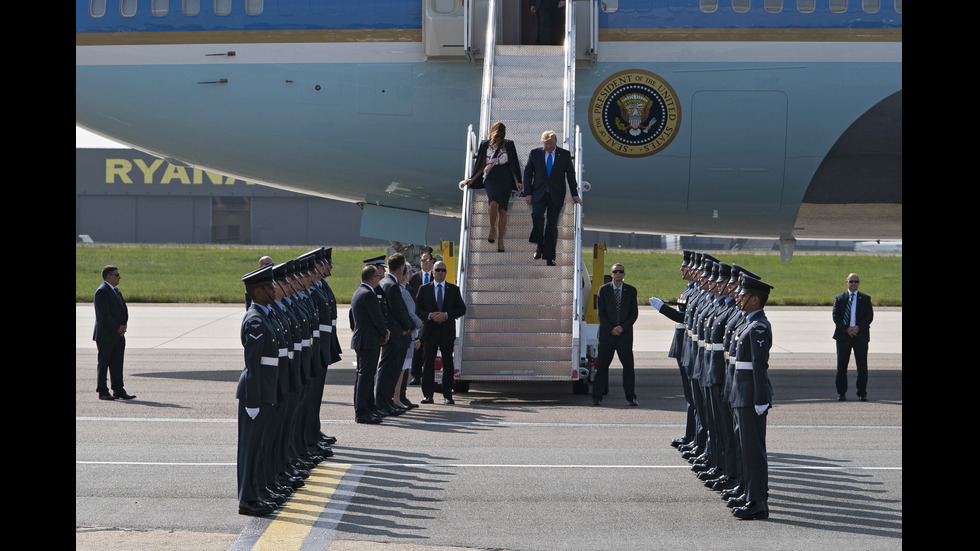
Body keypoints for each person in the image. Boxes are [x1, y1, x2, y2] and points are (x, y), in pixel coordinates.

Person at [727, 275, 774, 520]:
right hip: (742, 394)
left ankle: (758, 503)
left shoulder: (758, 327)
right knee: (746, 450)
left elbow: (758, 365)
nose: (739, 297)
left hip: (750, 396)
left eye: (744, 295)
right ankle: (750, 494)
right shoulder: (749, 323)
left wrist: (760, 399)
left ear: (755, 299)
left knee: (753, 451)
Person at [237, 265, 281, 517]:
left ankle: (256, 493)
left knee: (260, 446)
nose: (275, 289)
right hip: (256, 391)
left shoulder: (264, 314)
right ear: (258, 291)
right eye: (270, 286)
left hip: (265, 389)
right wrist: (252, 400)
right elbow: (252, 364)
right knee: (251, 448)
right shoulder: (255, 319)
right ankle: (248, 499)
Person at [524, 130, 581, 266]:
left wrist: (575, 194)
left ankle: (549, 257)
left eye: (550, 144)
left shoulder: (564, 155)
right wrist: (528, 193)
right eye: (545, 144)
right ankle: (540, 243)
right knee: (537, 215)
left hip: (556, 194)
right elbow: (527, 173)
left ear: (555, 141)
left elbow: (571, 176)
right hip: (539, 192)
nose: (548, 146)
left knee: (551, 224)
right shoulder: (535, 153)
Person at [464, 122, 522, 252]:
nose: (498, 140)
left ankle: (500, 240)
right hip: (491, 177)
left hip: (505, 177)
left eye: (500, 137)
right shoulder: (486, 144)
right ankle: (491, 227)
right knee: (493, 202)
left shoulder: (509, 144)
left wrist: (517, 181)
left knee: (503, 210)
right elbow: (482, 163)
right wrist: (472, 178)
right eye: (497, 137)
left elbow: (513, 164)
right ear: (493, 134)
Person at [416, 260, 467, 404]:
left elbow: (461, 309)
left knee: (448, 364)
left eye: (443, 270)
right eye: (437, 270)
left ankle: (447, 395)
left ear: (446, 272)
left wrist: (447, 315)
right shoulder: (424, 289)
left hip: (446, 331)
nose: (440, 273)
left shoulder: (453, 289)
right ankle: (428, 395)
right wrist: (429, 315)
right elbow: (417, 310)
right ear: (432, 272)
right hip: (430, 331)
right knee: (428, 363)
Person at [592, 263, 639, 406]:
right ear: (611, 274)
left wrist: (622, 328)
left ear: (624, 274)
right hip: (607, 335)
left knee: (628, 367)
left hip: (624, 336)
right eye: (615, 271)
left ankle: (631, 397)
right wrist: (611, 329)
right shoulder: (603, 290)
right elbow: (601, 314)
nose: (618, 274)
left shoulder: (631, 291)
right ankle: (597, 397)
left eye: (620, 271)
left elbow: (634, 313)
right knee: (602, 366)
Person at [376, 253, 416, 417]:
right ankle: (383, 402)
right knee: (388, 371)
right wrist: (410, 325)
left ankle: (387, 402)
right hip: (395, 334)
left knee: (390, 371)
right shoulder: (392, 285)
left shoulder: (386, 282)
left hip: (393, 333)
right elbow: (398, 310)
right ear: (401, 268)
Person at [351, 265, 389, 424]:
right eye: (378, 277)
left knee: (363, 376)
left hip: (363, 339)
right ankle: (362, 411)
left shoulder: (359, 292)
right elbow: (377, 317)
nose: (379, 280)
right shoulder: (368, 294)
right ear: (372, 278)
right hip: (368, 340)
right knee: (365, 377)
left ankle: (365, 408)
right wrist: (384, 333)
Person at [93, 265, 135, 401]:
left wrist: (123, 326)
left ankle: (118, 389)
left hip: (118, 334)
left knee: (117, 363)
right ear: (109, 276)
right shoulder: (102, 292)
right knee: (104, 363)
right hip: (106, 334)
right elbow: (103, 316)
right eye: (116, 275)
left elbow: (123, 311)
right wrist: (117, 327)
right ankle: (103, 391)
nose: (119, 277)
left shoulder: (116, 291)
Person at [832, 273, 874, 401]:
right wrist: (846, 329)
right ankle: (841, 393)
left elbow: (869, 317)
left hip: (860, 337)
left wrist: (858, 328)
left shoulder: (865, 299)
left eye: (856, 281)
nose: (853, 284)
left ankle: (862, 393)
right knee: (841, 366)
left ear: (859, 283)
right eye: (851, 281)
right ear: (847, 282)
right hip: (844, 337)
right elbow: (836, 316)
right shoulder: (840, 298)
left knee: (862, 367)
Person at [395, 261, 424, 409]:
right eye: (410, 271)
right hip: (406, 333)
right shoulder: (402, 291)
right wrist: (419, 327)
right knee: (400, 368)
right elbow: (410, 315)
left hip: (410, 334)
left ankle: (401, 396)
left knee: (404, 368)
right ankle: (397, 398)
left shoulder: (409, 289)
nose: (412, 274)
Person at [407, 250, 435, 385]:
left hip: (431, 318)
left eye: (428, 260)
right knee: (417, 347)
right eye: (423, 260)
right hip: (417, 317)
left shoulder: (436, 277)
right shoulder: (414, 278)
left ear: (432, 262)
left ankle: (428, 374)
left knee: (429, 348)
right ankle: (416, 375)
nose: (425, 263)